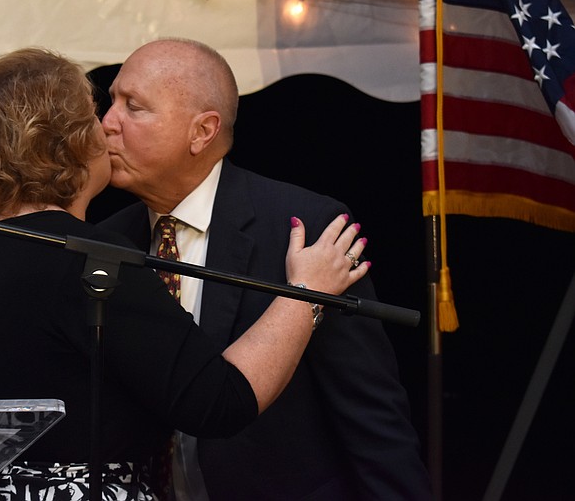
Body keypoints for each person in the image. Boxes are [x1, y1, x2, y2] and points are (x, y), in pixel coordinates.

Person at [0, 48, 369, 500]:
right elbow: (218, 401)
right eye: (95, 115)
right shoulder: (89, 257)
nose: (109, 125)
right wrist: (306, 293)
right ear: (67, 143)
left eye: (130, 107)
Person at [98, 38, 433, 500]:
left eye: (133, 107)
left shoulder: (304, 228)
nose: (107, 123)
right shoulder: (108, 240)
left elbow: (371, 416)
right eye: (111, 101)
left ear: (202, 131)